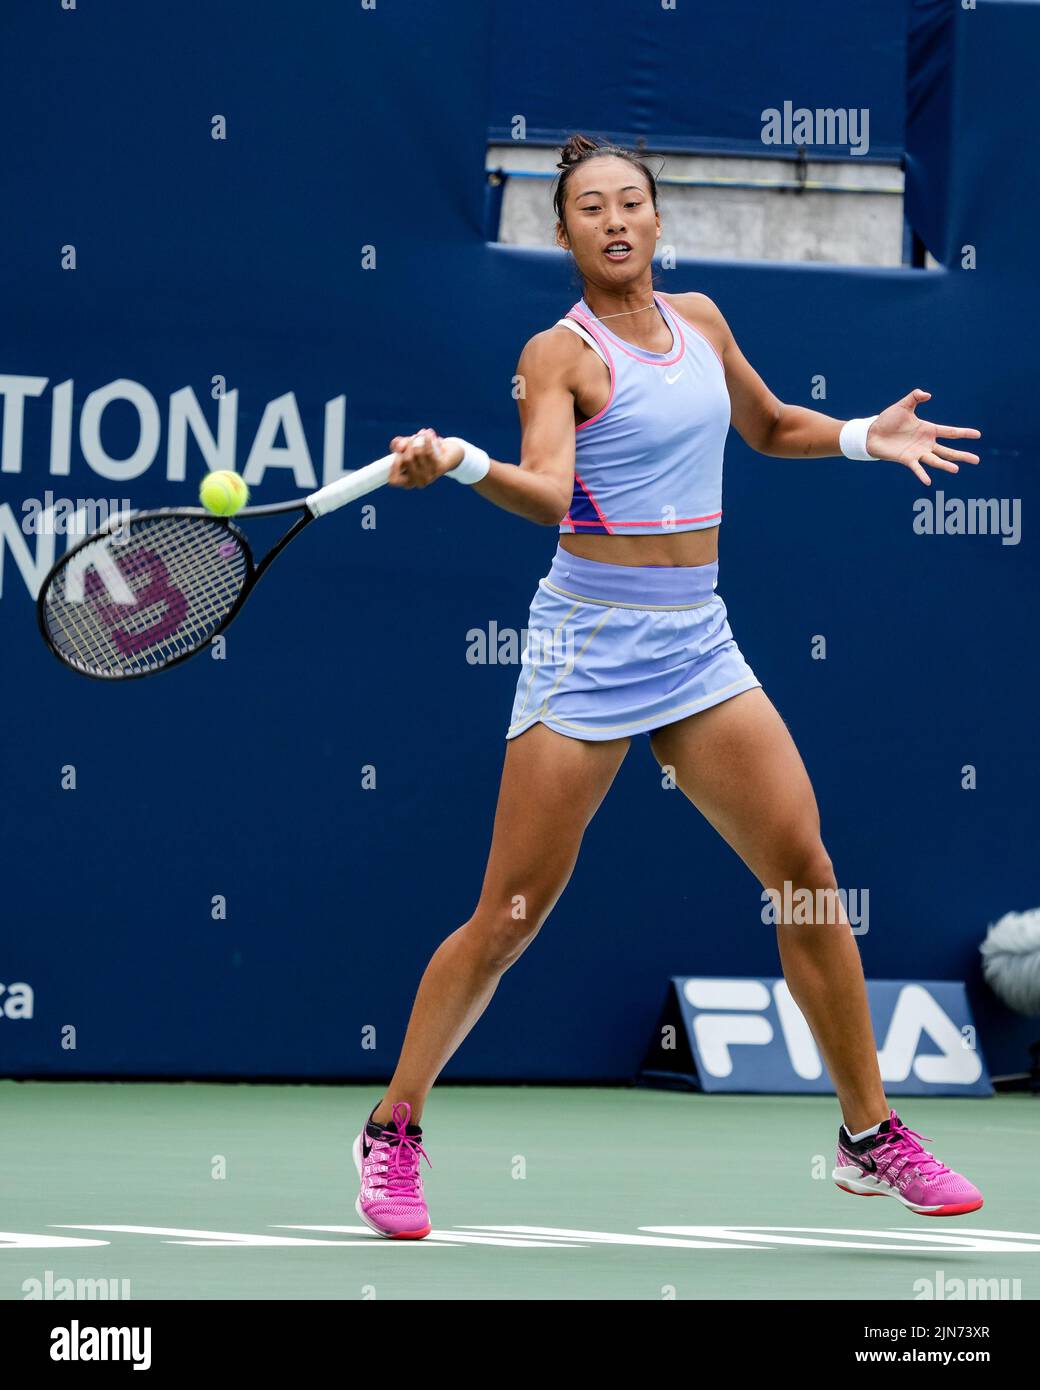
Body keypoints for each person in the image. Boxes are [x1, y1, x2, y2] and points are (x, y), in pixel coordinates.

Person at [352, 134, 984, 1239]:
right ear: (561, 232)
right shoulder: (556, 353)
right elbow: (550, 493)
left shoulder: (699, 321)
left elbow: (772, 425)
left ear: (654, 216)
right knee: (508, 914)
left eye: (629, 202)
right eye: (588, 207)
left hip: (695, 643)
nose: (612, 220)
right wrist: (459, 462)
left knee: (804, 872)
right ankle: (393, 1128)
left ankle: (865, 1133)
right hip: (586, 647)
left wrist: (860, 437)